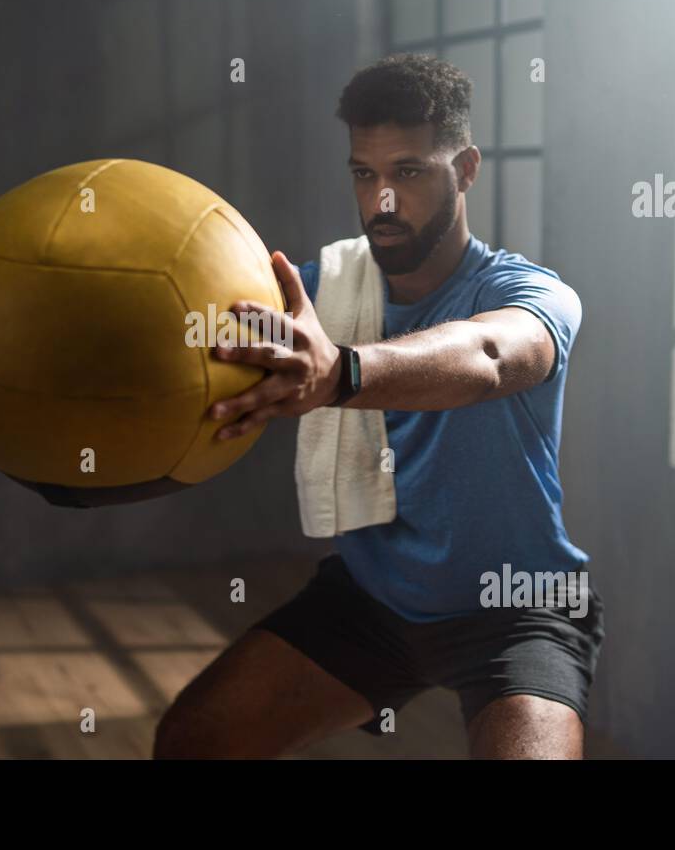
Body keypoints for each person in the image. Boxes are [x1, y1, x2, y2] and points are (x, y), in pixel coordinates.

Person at [154, 53, 603, 759]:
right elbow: (179, 335)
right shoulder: (316, 296)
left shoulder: (530, 293)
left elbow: (488, 356)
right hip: (373, 601)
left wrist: (342, 373)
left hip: (516, 608)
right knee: (194, 741)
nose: (382, 201)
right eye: (366, 175)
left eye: (410, 172)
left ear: (465, 170)